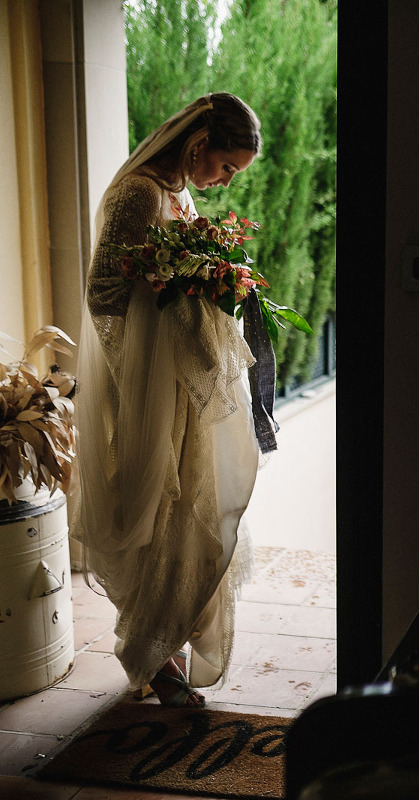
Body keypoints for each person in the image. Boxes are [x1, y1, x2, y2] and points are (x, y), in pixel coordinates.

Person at [69, 93, 263, 708]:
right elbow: (104, 292)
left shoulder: (179, 192)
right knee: (163, 512)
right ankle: (153, 655)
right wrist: (181, 297)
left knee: (197, 514)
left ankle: (171, 645)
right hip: (153, 390)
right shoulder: (139, 193)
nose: (222, 179)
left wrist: (213, 282)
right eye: (225, 167)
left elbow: (174, 268)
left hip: (186, 388)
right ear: (199, 143)